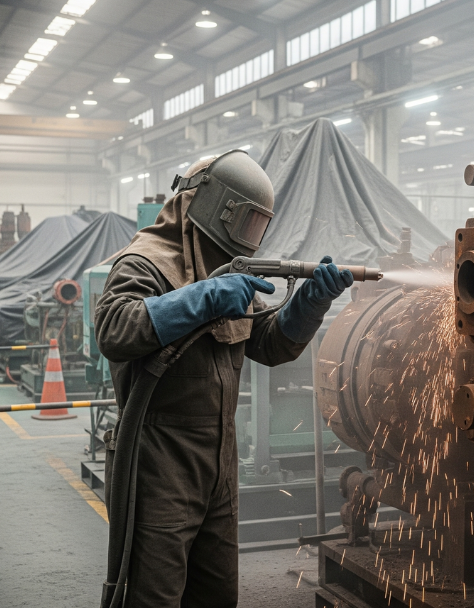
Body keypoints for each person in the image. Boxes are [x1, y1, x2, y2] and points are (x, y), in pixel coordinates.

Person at [96, 150, 352, 608]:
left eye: (260, 226)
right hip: (159, 463)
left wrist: (310, 303)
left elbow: (268, 344)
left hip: (219, 463)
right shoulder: (144, 263)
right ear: (217, 209)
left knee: (216, 596)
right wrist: (204, 297)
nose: (250, 239)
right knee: (154, 598)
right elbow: (115, 328)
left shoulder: (227, 271)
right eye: (247, 223)